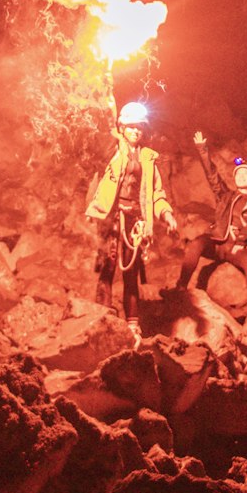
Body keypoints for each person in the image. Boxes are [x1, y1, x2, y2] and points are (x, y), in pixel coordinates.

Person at [86, 101, 177, 343]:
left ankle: (133, 326)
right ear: (122, 127)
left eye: (140, 128)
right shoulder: (113, 149)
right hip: (113, 218)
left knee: (131, 275)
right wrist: (107, 98)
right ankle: (102, 317)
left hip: (135, 221)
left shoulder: (147, 159)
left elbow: (156, 193)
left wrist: (166, 214)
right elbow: (105, 135)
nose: (136, 132)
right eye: (131, 127)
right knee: (108, 268)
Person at [175, 132, 247, 305]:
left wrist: (239, 242)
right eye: (238, 174)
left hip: (236, 249)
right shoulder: (225, 196)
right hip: (217, 242)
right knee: (196, 243)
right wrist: (202, 151)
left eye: (245, 175)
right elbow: (213, 177)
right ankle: (181, 286)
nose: (241, 176)